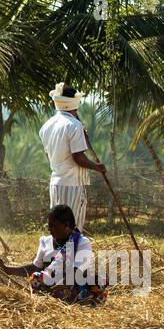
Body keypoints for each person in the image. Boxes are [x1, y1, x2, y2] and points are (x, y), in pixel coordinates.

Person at [0, 204, 104, 304]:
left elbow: (79, 271)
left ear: (66, 225)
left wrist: (62, 284)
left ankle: (78, 301)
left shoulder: (81, 242)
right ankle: (48, 299)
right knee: (36, 277)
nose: (50, 230)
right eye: (49, 226)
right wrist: (6, 269)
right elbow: (34, 268)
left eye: (54, 226)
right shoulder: (45, 242)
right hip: (51, 288)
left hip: (73, 287)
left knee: (94, 280)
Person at [38, 83, 105, 231]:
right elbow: (78, 158)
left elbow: (52, 154)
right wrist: (97, 167)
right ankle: (70, 254)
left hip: (55, 184)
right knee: (71, 229)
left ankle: (58, 254)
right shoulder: (74, 125)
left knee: (58, 229)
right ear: (74, 103)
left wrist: (83, 136)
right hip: (72, 184)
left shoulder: (46, 127)